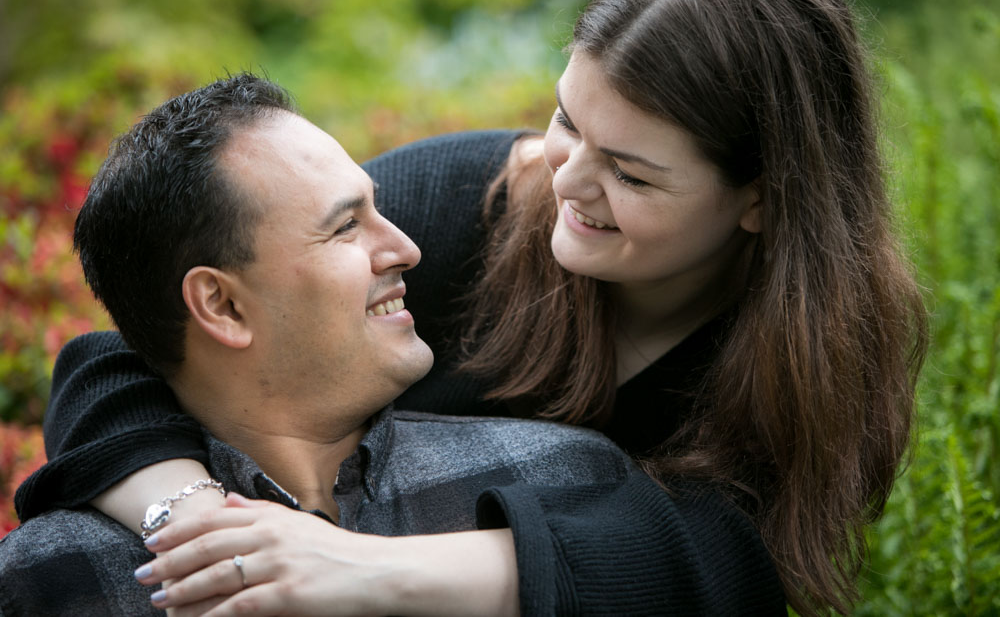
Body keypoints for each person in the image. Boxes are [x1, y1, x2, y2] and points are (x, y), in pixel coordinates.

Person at [13, 0, 928, 614]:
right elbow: (137, 351)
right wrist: (217, 533)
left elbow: (724, 569)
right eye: (568, 119)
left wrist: (363, 568)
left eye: (632, 173)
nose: (568, 181)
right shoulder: (469, 201)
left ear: (762, 201)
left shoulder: (820, 345)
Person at [0, 74, 638, 616]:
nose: (407, 249)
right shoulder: (53, 577)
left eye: (377, 209)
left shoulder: (567, 482)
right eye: (345, 226)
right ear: (222, 306)